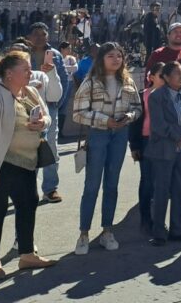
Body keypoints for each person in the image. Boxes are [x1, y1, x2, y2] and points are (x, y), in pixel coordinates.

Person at [0, 50, 56, 279]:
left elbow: (47, 116)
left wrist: (43, 122)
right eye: (24, 69)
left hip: (26, 163)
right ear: (8, 73)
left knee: (28, 205)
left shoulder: (31, 92)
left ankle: (27, 254)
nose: (30, 72)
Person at [72, 43, 141, 255]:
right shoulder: (91, 83)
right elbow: (78, 113)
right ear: (101, 59)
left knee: (112, 184)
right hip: (99, 134)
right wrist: (104, 120)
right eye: (110, 56)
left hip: (120, 134)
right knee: (92, 185)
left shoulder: (128, 81)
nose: (115, 59)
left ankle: (107, 230)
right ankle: (84, 233)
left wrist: (129, 117)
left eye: (119, 56)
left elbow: (137, 108)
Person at [145, 61, 181, 246]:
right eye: (176, 73)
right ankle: (159, 232)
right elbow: (158, 125)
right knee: (162, 191)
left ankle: (178, 229)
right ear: (166, 77)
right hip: (164, 150)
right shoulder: (157, 96)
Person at [28, 22, 68, 203]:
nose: (39, 37)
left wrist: (58, 103)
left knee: (51, 147)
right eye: (35, 34)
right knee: (29, 147)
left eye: (43, 34)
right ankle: (28, 187)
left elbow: (63, 80)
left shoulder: (56, 55)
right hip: (27, 104)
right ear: (29, 36)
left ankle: (50, 188)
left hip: (50, 105)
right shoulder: (23, 53)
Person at [129, 62, 165, 234]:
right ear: (151, 78)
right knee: (147, 181)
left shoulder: (171, 94)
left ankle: (159, 219)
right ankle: (145, 218)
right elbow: (135, 123)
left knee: (161, 182)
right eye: (161, 75)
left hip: (165, 141)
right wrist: (134, 145)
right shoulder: (143, 95)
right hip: (146, 140)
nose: (164, 79)